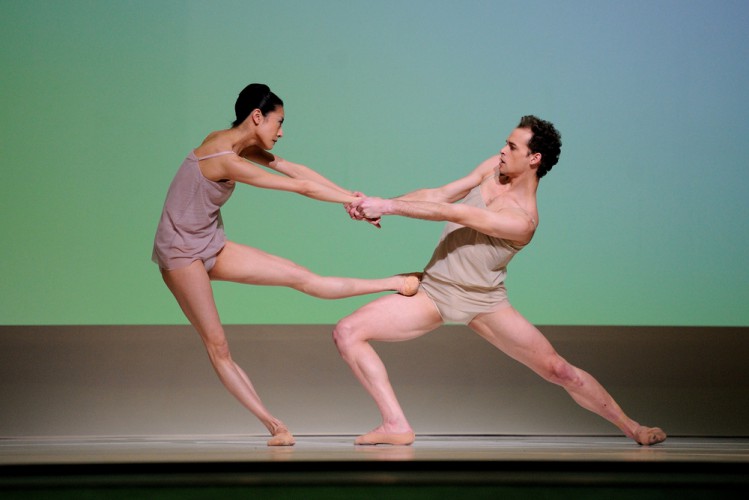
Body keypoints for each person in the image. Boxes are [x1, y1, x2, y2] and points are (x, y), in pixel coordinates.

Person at [335, 115, 666, 447]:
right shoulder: (493, 168)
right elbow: (440, 195)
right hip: (435, 293)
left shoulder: (523, 220)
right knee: (347, 332)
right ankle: (395, 425)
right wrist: (377, 207)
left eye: (511, 146)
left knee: (559, 371)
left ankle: (631, 426)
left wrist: (388, 206)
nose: (502, 150)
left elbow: (457, 213)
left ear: (534, 158)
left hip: (485, 303)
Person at [152, 83, 419, 446]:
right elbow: (299, 188)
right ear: (257, 116)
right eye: (278, 122)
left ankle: (392, 282)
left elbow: (295, 170)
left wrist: (351, 198)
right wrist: (355, 203)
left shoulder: (237, 142)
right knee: (218, 347)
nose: (281, 131)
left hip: (209, 242)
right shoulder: (224, 158)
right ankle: (274, 425)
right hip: (180, 254)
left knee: (300, 276)